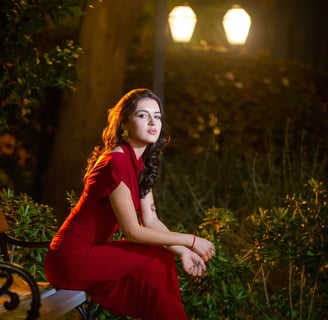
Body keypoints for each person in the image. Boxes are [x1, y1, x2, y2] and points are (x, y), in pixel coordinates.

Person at [44, 88, 215, 319]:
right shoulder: (116, 161)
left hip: (91, 254)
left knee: (160, 257)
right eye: (143, 115)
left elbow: (151, 220)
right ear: (124, 123)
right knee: (157, 257)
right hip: (72, 258)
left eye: (157, 116)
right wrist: (190, 240)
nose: (153, 121)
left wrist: (183, 251)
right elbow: (133, 232)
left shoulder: (139, 163)